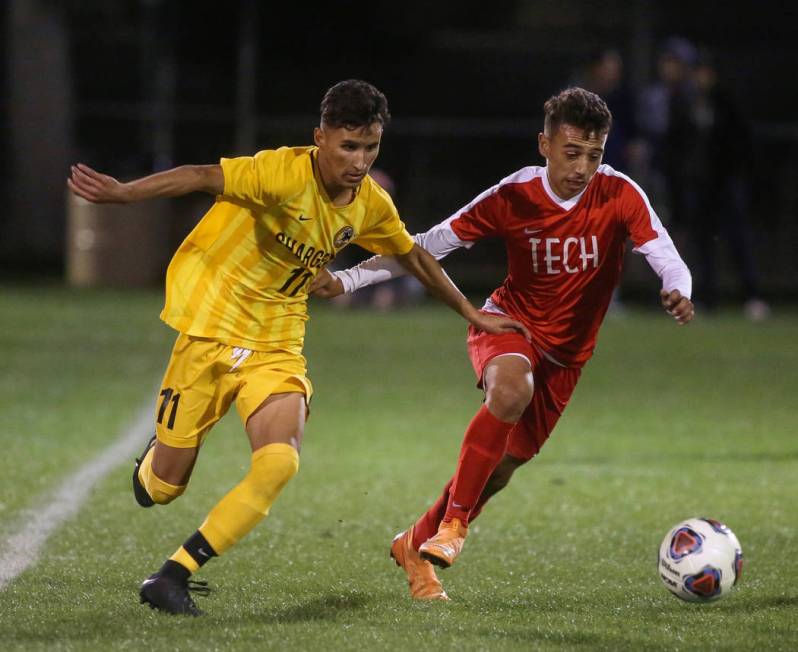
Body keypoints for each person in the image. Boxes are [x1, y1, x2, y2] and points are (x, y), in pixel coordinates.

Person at [67, 79, 526, 615]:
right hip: (210, 329)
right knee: (162, 490)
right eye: (348, 147)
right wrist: (124, 193)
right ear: (320, 138)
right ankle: (155, 461)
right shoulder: (280, 172)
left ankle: (173, 575)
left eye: (370, 147)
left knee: (279, 463)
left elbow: (415, 256)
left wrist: (470, 312)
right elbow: (199, 176)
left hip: (276, 342)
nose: (359, 161)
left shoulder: (371, 204)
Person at [311, 87, 695, 601]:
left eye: (594, 155)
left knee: (500, 470)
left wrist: (679, 288)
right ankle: (453, 527)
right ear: (545, 145)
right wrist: (350, 280)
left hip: (569, 356)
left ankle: (414, 541)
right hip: (508, 325)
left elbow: (665, 254)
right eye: (571, 153)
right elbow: (426, 246)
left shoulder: (620, 194)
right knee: (511, 392)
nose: (582, 167)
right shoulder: (513, 196)